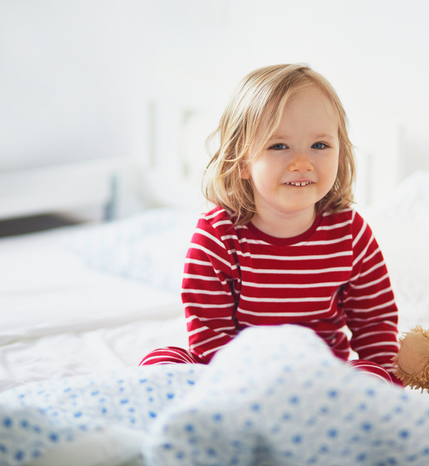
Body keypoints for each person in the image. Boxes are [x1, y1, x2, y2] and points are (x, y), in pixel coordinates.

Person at [140, 64, 400, 384]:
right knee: (163, 361)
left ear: (340, 152)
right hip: (237, 373)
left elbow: (375, 322)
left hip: (324, 378)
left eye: (320, 145)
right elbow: (209, 334)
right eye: (279, 146)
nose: (302, 163)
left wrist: (385, 378)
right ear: (243, 161)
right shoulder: (217, 237)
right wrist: (258, 384)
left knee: (374, 375)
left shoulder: (349, 232)